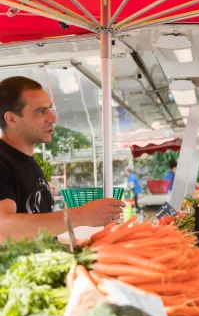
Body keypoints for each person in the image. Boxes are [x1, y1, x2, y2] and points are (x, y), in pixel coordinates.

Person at [0, 76, 124, 242]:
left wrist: (82, 248)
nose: (52, 118)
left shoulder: (27, 161)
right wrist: (81, 215)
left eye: (50, 109)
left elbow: (41, 236)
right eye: (40, 111)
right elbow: (3, 229)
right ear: (12, 119)